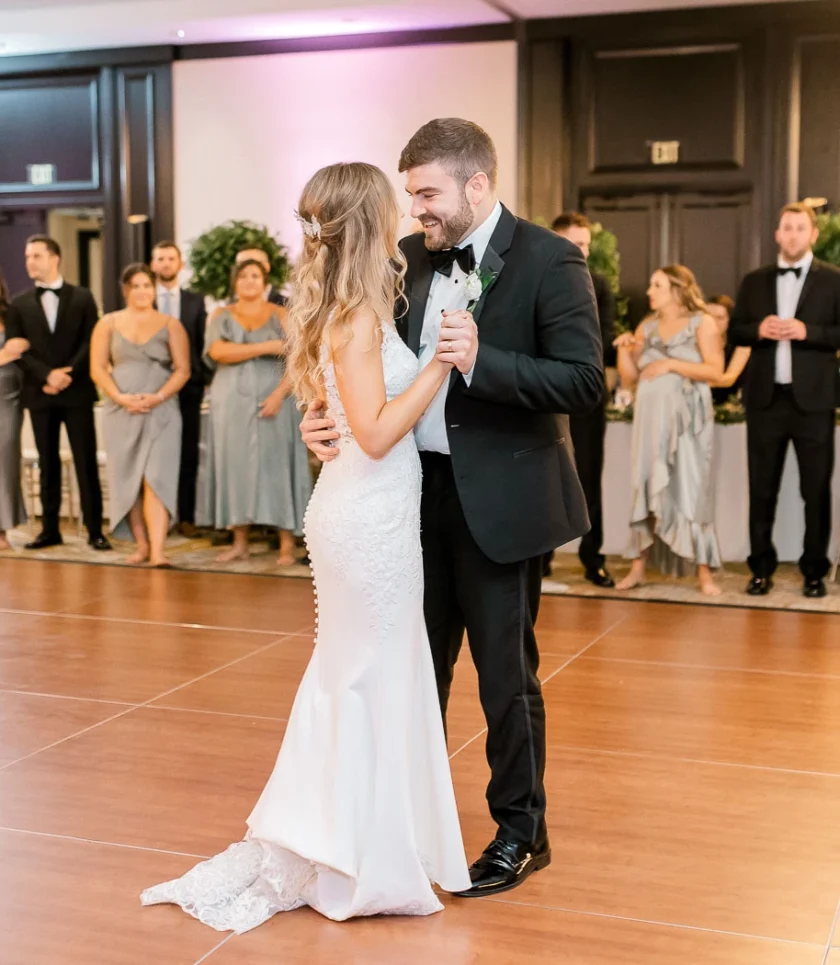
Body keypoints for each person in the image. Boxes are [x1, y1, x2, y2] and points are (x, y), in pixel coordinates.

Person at [141, 162, 471, 930]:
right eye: (393, 206)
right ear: (369, 219)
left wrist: (325, 418)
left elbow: (340, 414)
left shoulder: (350, 306)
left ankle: (366, 838)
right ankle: (348, 851)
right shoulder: (356, 313)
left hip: (369, 511)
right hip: (365, 518)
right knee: (361, 676)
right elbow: (381, 431)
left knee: (368, 673)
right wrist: (443, 363)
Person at [301, 119, 603, 896]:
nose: (417, 212)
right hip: (408, 502)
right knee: (415, 669)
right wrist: (321, 414)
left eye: (428, 194)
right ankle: (409, 822)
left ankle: (520, 831)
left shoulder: (550, 260)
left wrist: (485, 361)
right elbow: (363, 368)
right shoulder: (404, 261)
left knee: (505, 676)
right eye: (410, 196)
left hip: (502, 503)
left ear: (476, 185)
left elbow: (583, 382)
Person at [729, 202, 840, 598]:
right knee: (761, 488)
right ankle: (760, 568)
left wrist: (807, 331)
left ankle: (814, 571)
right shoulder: (754, 281)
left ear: (813, 235)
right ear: (777, 234)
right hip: (765, 401)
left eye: (799, 228)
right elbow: (735, 331)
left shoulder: (834, 280)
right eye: (786, 228)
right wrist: (757, 329)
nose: (792, 235)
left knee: (816, 490)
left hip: (814, 403)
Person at [614, 265, 724, 596]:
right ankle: (638, 568)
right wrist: (623, 350)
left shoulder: (701, 323)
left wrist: (672, 364)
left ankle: (704, 573)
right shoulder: (646, 326)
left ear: (677, 290)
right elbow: (631, 377)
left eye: (657, 285)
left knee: (691, 487)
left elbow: (715, 370)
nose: (649, 291)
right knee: (645, 484)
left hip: (688, 423)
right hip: (649, 422)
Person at [199, 259, 311, 565]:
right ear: (235, 282)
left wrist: (278, 394)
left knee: (277, 466)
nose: (250, 281)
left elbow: (297, 358)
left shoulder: (282, 314)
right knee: (235, 468)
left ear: (265, 283)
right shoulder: (221, 315)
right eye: (244, 276)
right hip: (230, 404)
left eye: (256, 276)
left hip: (275, 401)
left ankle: (287, 543)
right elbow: (217, 351)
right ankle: (239, 541)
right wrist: (266, 347)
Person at [5, 235, 110, 551]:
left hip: (76, 392)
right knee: (47, 463)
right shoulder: (20, 304)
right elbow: (16, 350)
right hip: (40, 394)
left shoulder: (82, 297)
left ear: (55, 258)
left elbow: (92, 340)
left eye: (36, 255)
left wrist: (67, 374)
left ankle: (95, 530)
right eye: (27, 257)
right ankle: (50, 529)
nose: (29, 262)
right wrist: (46, 375)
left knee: (85, 461)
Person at [90, 264, 190, 567]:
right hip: (121, 411)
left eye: (148, 285)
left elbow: (183, 369)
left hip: (162, 411)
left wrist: (158, 396)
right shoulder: (107, 323)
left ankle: (159, 550)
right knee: (128, 478)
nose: (143, 291)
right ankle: (142, 545)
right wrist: (119, 397)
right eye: (136, 286)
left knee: (155, 477)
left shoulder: (171, 324)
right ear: (126, 290)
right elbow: (97, 368)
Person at [546, 212, 616, 587]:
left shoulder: (599, 284)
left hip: (585, 398)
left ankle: (594, 558)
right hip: (544, 395)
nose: (580, 251)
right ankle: (541, 559)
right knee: (542, 477)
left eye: (585, 245)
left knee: (589, 476)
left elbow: (602, 339)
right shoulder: (536, 278)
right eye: (573, 244)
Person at [149, 241, 208, 537]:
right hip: (152, 386)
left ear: (180, 264)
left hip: (189, 389)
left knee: (187, 453)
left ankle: (185, 517)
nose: (165, 264)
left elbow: (201, 344)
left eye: (171, 258)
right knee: (156, 454)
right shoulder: (144, 300)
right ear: (152, 264)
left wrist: (201, 379)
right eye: (160, 259)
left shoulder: (195, 301)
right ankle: (157, 518)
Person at [0, 268, 29, 547]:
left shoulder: (12, 314)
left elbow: (26, 347)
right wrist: (4, 354)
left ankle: (3, 529)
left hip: (8, 397)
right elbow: (10, 352)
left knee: (6, 462)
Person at [706, 294, 751, 406]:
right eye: (708, 316)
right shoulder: (693, 343)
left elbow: (729, 379)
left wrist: (694, 383)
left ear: (729, 321)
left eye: (719, 318)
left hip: (731, 408)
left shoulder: (741, 343)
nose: (713, 322)